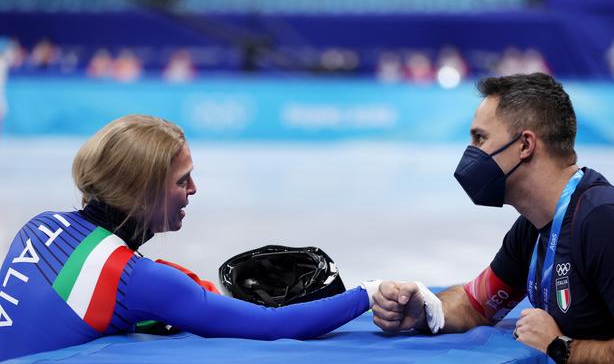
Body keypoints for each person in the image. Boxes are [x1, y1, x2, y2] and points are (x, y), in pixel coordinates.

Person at [0, 115, 379, 361]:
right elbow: (273, 326)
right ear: (142, 191)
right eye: (183, 180)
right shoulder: (136, 278)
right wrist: (370, 293)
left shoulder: (41, 224)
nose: (194, 189)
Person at [371, 73, 614, 364]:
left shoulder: (603, 220)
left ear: (525, 145)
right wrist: (424, 309)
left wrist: (563, 348)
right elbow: (475, 305)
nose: (471, 153)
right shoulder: (535, 226)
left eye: (480, 138)